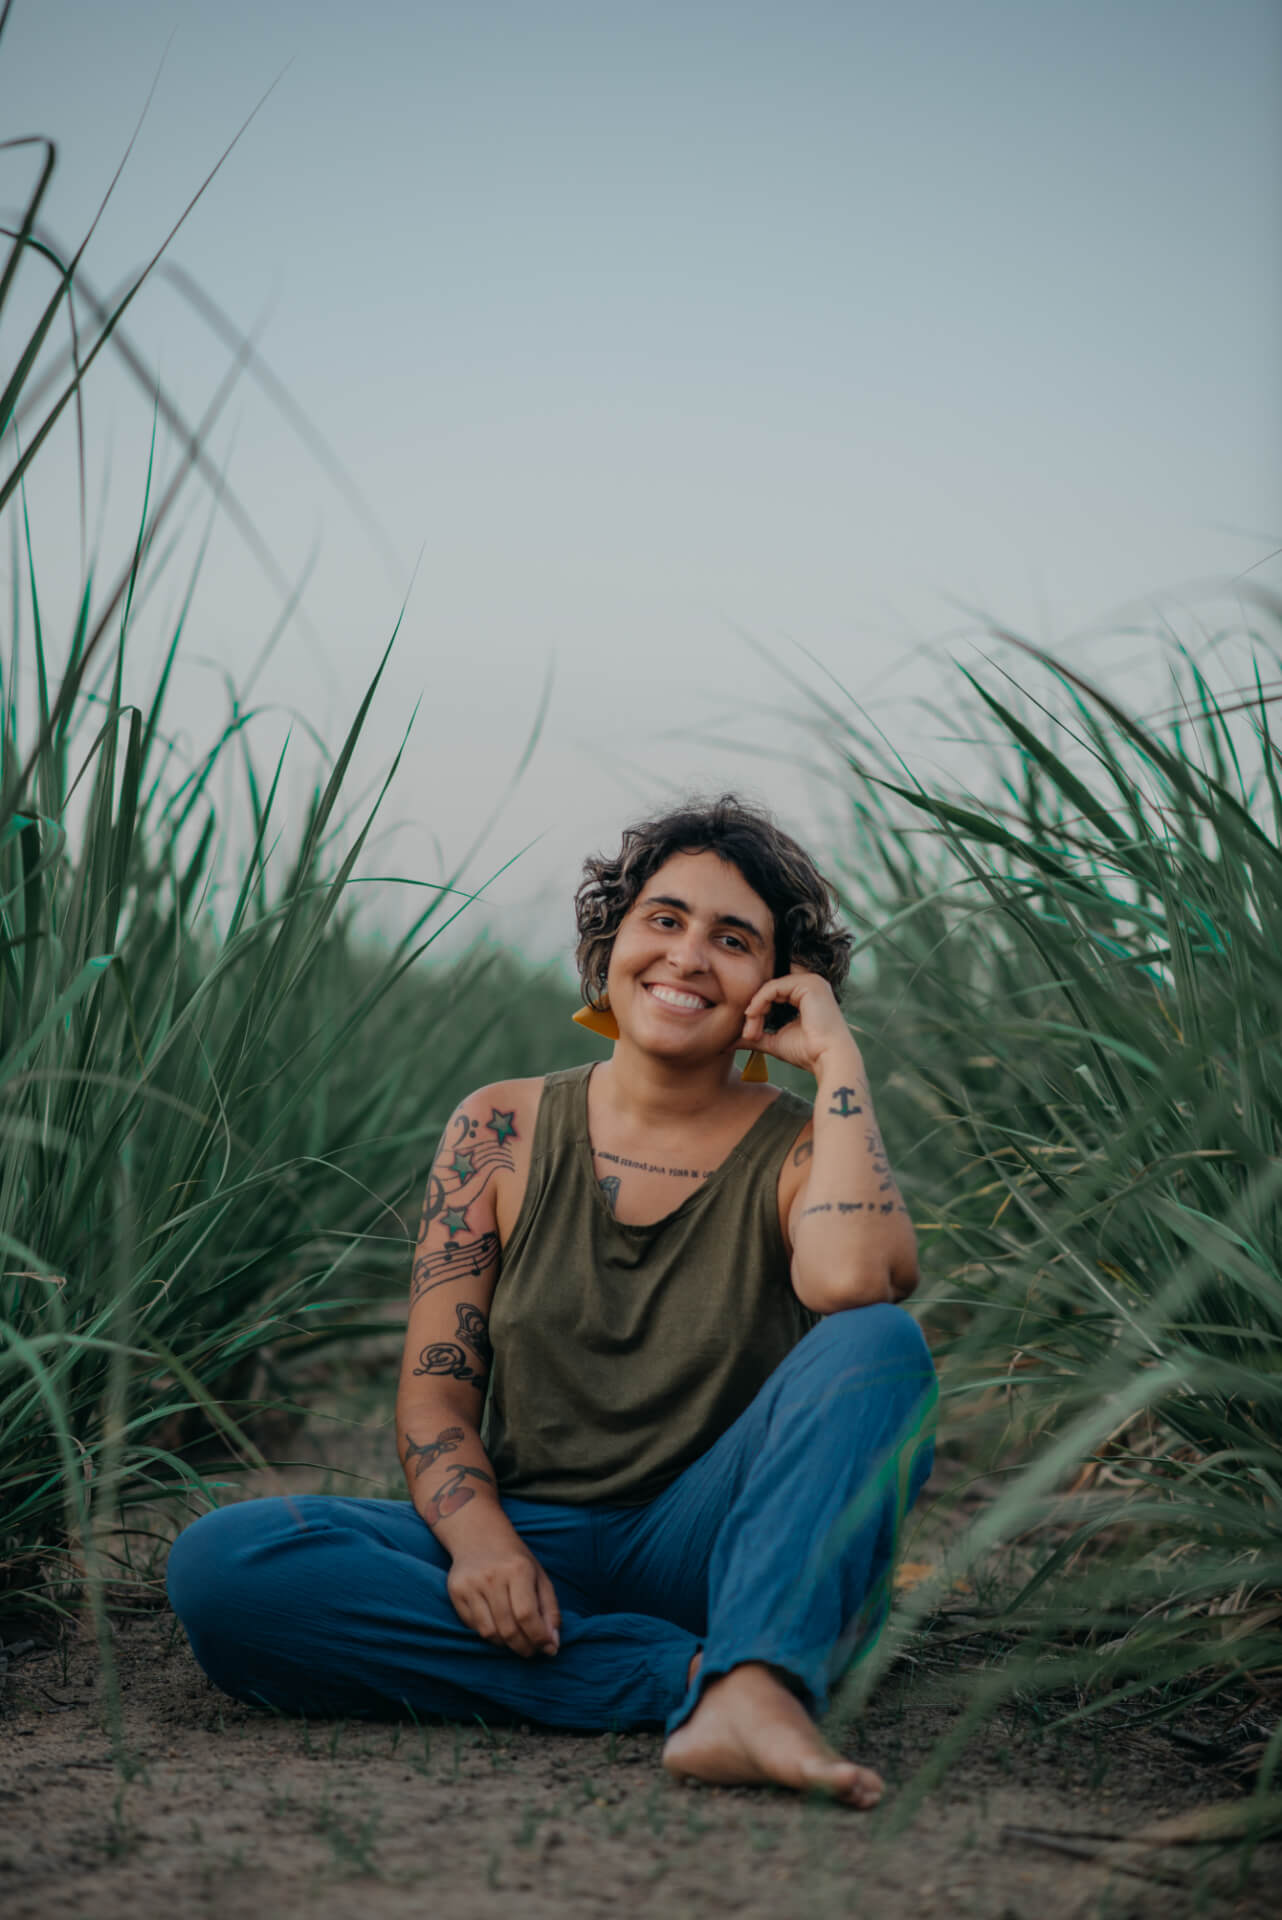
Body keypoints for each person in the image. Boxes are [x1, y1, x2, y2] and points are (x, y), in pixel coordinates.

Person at [166, 794, 936, 1808]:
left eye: (733, 939)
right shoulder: (499, 1128)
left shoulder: (802, 1150)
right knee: (227, 1566)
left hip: (718, 1541)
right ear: (612, 938)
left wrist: (839, 1062)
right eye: (663, 919)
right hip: (533, 1536)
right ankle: (717, 1681)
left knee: (878, 1344)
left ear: (777, 985)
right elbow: (438, 1395)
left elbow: (849, 1285)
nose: (688, 957)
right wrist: (484, 1548)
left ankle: (749, 1662)